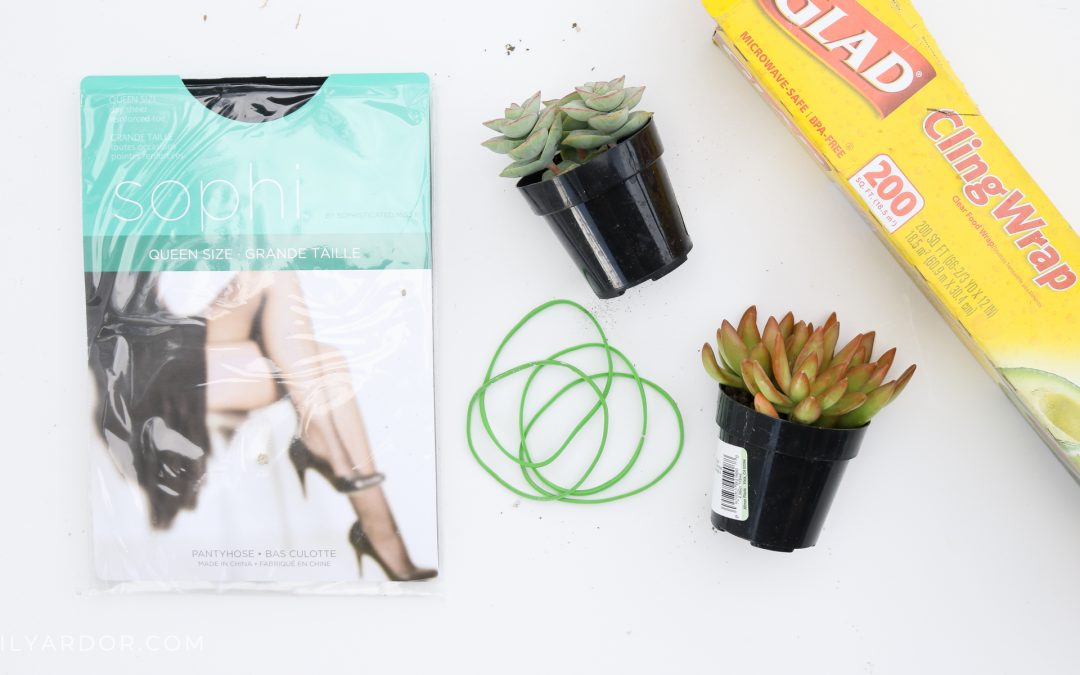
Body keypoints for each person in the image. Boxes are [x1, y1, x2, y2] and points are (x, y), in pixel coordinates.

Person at [86, 269, 435, 581]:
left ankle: (352, 486)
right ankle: (377, 525)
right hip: (129, 364)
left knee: (276, 280)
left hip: (161, 332)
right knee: (326, 366)